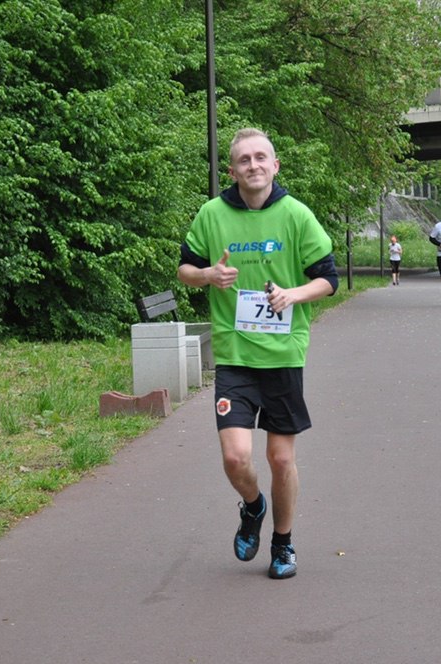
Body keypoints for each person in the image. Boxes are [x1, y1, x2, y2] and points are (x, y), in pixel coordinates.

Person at [177, 127, 338, 580]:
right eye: (244, 159)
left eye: (261, 157)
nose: (253, 165)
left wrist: (292, 294)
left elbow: (328, 279)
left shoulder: (296, 215)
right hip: (234, 355)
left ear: (275, 165)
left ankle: (283, 543)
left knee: (281, 460)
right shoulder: (212, 214)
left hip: (283, 355)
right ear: (232, 170)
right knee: (235, 458)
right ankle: (253, 506)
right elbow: (185, 268)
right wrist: (208, 276)